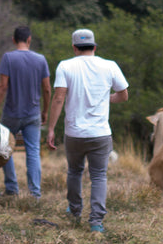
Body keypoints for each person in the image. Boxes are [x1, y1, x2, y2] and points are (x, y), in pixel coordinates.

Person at [46, 28, 130, 233]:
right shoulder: (109, 66)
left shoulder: (65, 66)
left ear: (74, 48)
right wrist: (106, 98)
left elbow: (58, 98)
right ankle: (96, 222)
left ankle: (75, 210)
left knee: (74, 171)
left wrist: (50, 129)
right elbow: (123, 95)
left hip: (74, 133)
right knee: (99, 176)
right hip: (101, 133)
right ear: (94, 46)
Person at [0, 25, 51, 198]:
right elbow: (46, 89)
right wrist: (45, 111)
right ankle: (35, 194)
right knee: (33, 151)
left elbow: (2, 87)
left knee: (5, 149)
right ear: (29, 40)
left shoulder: (8, 58)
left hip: (11, 114)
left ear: (14, 40)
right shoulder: (41, 59)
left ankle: (11, 189)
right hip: (33, 114)